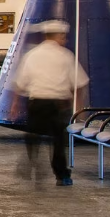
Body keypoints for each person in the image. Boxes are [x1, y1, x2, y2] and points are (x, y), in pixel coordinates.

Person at [12, 20, 89, 187]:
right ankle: (62, 175)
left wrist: (15, 105)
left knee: (34, 133)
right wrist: (79, 106)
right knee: (59, 141)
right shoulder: (66, 55)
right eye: (63, 36)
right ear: (57, 36)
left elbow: (20, 83)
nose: (65, 39)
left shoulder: (31, 55)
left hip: (37, 102)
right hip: (59, 104)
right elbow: (80, 83)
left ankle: (31, 160)